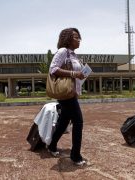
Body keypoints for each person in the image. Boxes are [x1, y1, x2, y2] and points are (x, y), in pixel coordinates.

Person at [47, 28, 86, 166]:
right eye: (75, 37)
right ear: (68, 39)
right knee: (78, 121)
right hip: (65, 93)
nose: (78, 39)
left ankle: (51, 146)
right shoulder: (63, 51)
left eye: (79, 37)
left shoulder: (74, 56)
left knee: (64, 121)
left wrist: (82, 73)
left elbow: (76, 74)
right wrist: (74, 74)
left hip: (72, 92)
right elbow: (53, 69)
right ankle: (75, 155)